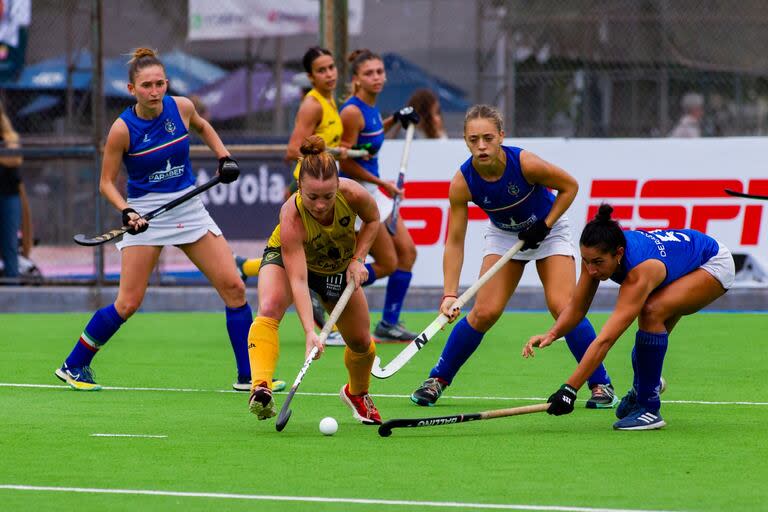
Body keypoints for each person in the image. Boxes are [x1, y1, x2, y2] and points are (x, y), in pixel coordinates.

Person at [53, 47, 266, 392]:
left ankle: (251, 378)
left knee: (235, 287)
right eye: (147, 86)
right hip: (145, 212)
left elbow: (202, 126)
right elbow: (106, 182)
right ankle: (73, 365)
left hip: (187, 207)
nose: (155, 92)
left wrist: (224, 156)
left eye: (160, 84)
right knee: (128, 303)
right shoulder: (122, 129)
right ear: (131, 89)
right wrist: (127, 210)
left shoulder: (181, 107)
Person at [410, 104, 617, 409]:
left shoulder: (525, 164)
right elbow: (454, 241)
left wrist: (544, 226)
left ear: (501, 136)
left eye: (488, 138)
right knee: (484, 312)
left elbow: (570, 187)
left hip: (550, 231)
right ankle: (438, 379)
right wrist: (449, 293)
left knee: (563, 307)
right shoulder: (462, 182)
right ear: (465, 141)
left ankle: (601, 383)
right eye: (473, 139)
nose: (481, 146)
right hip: (505, 235)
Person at [524, 204, 735, 430]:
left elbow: (606, 340)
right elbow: (577, 309)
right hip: (678, 262)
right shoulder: (597, 254)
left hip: (711, 264)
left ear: (619, 254)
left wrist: (569, 389)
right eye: (586, 261)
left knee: (652, 312)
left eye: (597, 263)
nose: (591, 270)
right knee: (649, 330)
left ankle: (649, 408)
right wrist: (553, 333)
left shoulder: (639, 272)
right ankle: (645, 386)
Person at [246, 135, 383, 425]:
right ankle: (260, 387)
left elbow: (373, 220)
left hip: (335, 266)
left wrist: (358, 259)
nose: (320, 205)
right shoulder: (291, 216)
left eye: (327, 196)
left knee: (360, 340)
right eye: (312, 197)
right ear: (299, 188)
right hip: (289, 260)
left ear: (337, 186)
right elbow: (298, 280)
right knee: (269, 307)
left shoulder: (353, 194)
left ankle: (356, 393)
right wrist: (311, 331)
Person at [234, 46, 348, 346]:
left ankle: (245, 266)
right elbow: (292, 150)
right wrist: (325, 157)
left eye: (332, 67)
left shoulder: (331, 101)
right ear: (310, 77)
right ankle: (326, 326)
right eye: (321, 70)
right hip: (308, 195)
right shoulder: (312, 105)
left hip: (320, 191)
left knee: (315, 256)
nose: (329, 74)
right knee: (310, 258)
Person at [339, 48, 420, 342]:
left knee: (408, 254)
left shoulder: (371, 108)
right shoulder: (351, 111)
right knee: (388, 263)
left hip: (376, 193)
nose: (377, 78)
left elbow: (371, 138)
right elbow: (345, 161)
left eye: (379, 72)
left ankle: (388, 323)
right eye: (369, 73)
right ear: (356, 79)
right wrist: (380, 182)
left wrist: (396, 118)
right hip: (359, 197)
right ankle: (336, 286)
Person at [0, 99, 23, 281]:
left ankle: (12, 286)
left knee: (10, 244)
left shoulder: (8, 135)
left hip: (8, 194)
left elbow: (14, 159)